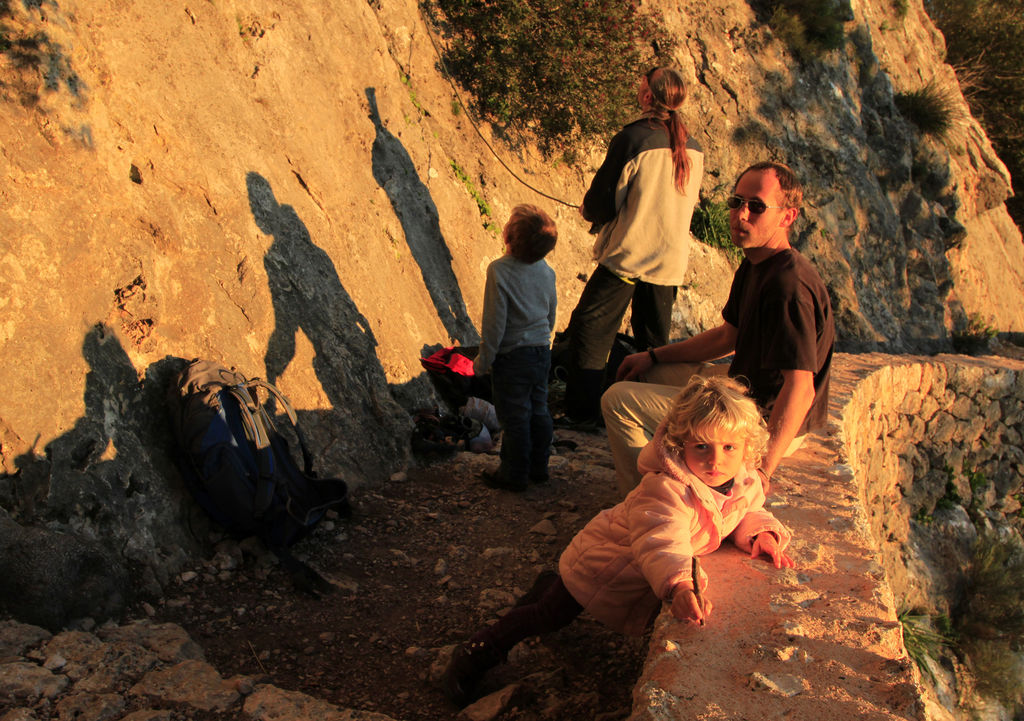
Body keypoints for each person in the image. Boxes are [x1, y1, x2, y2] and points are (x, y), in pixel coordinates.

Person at [442, 375, 795, 707]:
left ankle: (547, 583)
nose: (716, 460)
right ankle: (478, 651)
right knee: (548, 615)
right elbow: (663, 541)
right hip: (603, 563)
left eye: (729, 447)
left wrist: (761, 534)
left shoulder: (741, 479)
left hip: (629, 567)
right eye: (701, 446)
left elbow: (747, 510)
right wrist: (680, 586)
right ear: (679, 442)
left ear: (747, 447)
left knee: (552, 598)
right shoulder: (666, 489)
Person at [602, 161, 835, 497]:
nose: (741, 215)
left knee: (617, 401)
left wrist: (762, 472)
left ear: (787, 217)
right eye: (736, 202)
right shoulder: (756, 262)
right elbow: (728, 336)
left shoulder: (788, 286)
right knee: (648, 373)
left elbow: (801, 388)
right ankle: (667, 480)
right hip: (744, 390)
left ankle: (651, 506)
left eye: (756, 207)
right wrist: (652, 355)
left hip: (762, 418)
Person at [559, 66, 705, 428]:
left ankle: (582, 414)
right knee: (654, 344)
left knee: (591, 332)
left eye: (641, 85)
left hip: (630, 257)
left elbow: (605, 200)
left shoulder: (633, 138)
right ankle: (656, 415)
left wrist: (587, 210)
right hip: (669, 263)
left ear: (646, 96)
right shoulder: (694, 146)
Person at [473, 204, 559, 492]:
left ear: (508, 236)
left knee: (514, 417)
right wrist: (543, 339)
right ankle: (539, 468)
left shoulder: (499, 270)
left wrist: (484, 361)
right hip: (541, 352)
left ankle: (514, 473)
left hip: (512, 358)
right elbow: (551, 313)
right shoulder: (546, 271)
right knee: (539, 410)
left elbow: (494, 323)